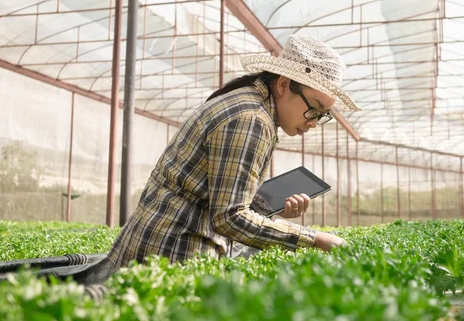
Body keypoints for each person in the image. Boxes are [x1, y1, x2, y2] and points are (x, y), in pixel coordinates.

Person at [107, 35, 361, 268]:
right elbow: (229, 218)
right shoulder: (251, 119)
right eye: (314, 108)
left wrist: (273, 210)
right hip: (173, 252)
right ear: (284, 85)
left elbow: (218, 197)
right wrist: (316, 239)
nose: (314, 122)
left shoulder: (248, 102)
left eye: (323, 115)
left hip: (156, 242)